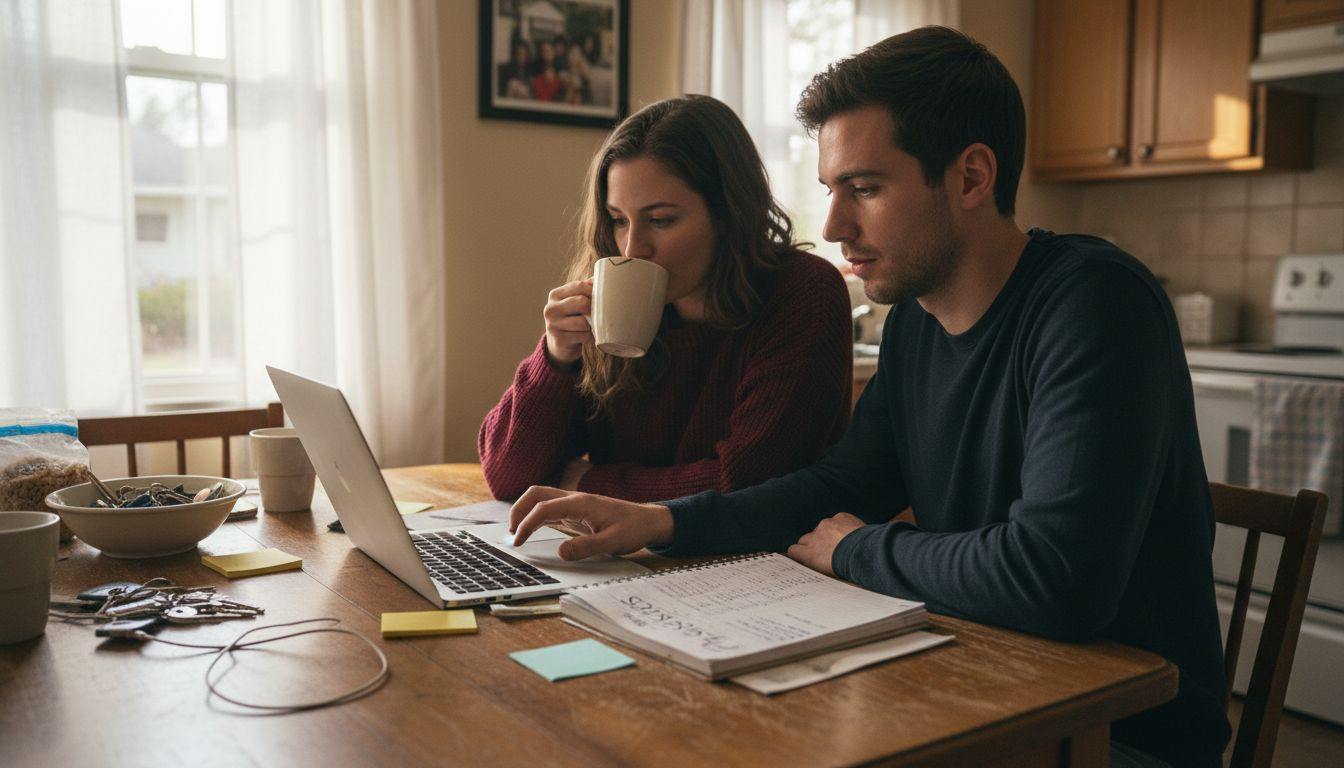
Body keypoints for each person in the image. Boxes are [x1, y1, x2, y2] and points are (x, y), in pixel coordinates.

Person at [509, 27, 1230, 768]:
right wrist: (661, 521)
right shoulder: (918, 322)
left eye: (865, 188)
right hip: (978, 685)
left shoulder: (1094, 305)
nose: (833, 226)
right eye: (830, 190)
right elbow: (841, 484)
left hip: (1122, 734)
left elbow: (1054, 579)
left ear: (971, 177)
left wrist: (859, 548)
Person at [479, 95, 853, 505]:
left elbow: (747, 484)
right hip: (624, 559)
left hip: (757, 563)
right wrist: (555, 359)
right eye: (619, 220)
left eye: (661, 220)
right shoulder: (609, 301)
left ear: (728, 214)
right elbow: (507, 477)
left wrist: (586, 484)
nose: (633, 248)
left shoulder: (802, 293)